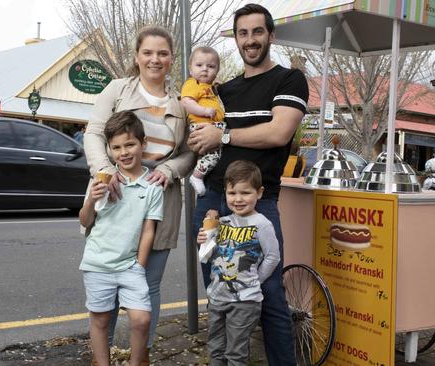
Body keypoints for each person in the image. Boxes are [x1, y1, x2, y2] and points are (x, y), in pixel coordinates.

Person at [187, 4, 309, 365]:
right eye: (243, 33)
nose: (250, 40)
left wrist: (221, 135)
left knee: (269, 295)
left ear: (271, 35)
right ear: (236, 38)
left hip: (259, 205)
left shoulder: (289, 80)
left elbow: (279, 131)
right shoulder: (223, 90)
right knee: (219, 293)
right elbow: (190, 118)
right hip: (211, 200)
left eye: (257, 32)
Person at [83, 26, 194, 364]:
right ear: (137, 56)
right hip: (115, 196)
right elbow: (93, 133)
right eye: (148, 52)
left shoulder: (181, 103)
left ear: (172, 59)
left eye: (162, 53)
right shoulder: (117, 89)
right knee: (110, 278)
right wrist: (105, 171)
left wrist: (171, 170)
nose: (155, 59)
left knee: (148, 285)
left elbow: (190, 152)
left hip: (158, 197)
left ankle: (140, 355)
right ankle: (103, 353)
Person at [79, 111, 162, 366]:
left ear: (142, 144)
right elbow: (85, 221)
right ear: (109, 150)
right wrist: (92, 199)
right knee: (101, 319)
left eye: (129, 144)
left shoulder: (153, 186)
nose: (123, 152)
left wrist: (139, 265)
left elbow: (149, 230)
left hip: (130, 266)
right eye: (116, 147)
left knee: (141, 319)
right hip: (97, 264)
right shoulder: (101, 181)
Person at [197, 160, 280, 366]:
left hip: (244, 302)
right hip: (217, 298)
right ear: (225, 193)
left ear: (259, 193)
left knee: (235, 353)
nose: (238, 199)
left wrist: (255, 281)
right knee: (216, 349)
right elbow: (206, 257)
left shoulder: (262, 224)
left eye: (245, 193)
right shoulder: (222, 223)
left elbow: (273, 257)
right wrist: (205, 241)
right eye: (232, 193)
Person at [180, 46, 225, 197]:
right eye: (199, 65)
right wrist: (205, 111)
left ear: (217, 70)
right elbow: (187, 102)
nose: (205, 69)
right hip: (201, 125)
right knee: (214, 156)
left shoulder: (211, 87)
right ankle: (197, 176)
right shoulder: (193, 83)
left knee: (215, 153)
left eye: (210, 66)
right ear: (191, 69)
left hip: (214, 126)